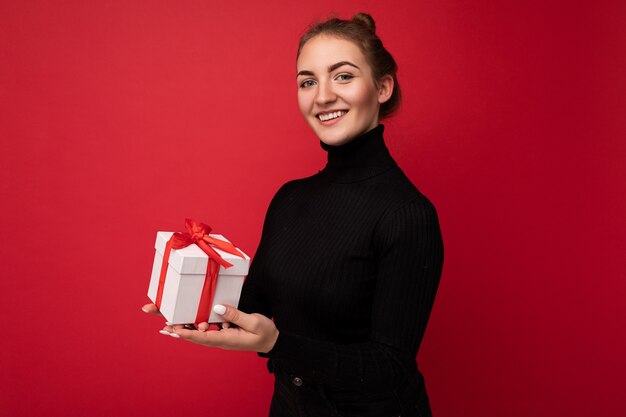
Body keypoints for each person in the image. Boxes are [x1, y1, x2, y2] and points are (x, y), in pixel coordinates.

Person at [143, 12, 444, 417]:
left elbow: (388, 367)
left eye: (343, 76)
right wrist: (188, 302)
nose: (321, 96)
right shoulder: (290, 198)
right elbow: (253, 308)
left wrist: (276, 343)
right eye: (308, 81)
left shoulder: (408, 214)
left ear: (383, 87)